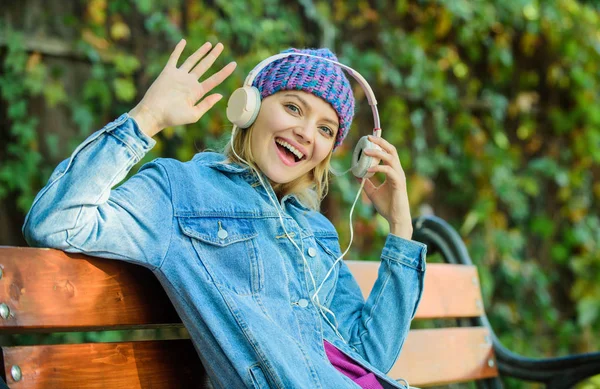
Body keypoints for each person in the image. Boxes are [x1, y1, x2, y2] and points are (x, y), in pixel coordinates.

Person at [22, 39, 427, 389]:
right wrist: (146, 118)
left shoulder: (316, 231)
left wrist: (400, 228)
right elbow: (56, 221)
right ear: (248, 109)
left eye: (326, 129)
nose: (306, 132)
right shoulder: (182, 192)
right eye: (293, 107)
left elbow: (367, 359)